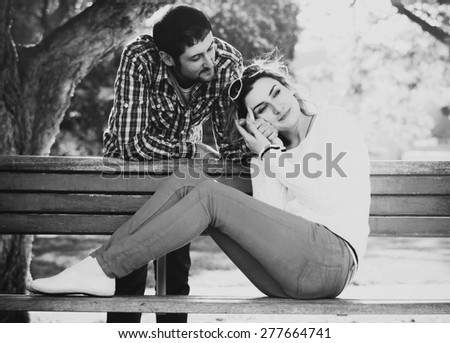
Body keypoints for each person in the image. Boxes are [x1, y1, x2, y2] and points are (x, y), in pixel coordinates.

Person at [27, 57, 371, 310]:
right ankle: (94, 268)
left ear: (290, 87)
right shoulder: (276, 154)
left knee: (209, 195)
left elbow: (327, 198)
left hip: (332, 260)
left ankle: (103, 269)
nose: (276, 108)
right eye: (261, 109)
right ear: (253, 121)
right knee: (189, 179)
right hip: (285, 276)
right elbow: (270, 216)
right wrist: (264, 157)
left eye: (276, 93)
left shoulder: (332, 121)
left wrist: (268, 154)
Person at [101, 5, 243, 323]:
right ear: (168, 58)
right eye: (196, 57)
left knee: (175, 277)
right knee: (129, 276)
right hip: (130, 175)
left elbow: (230, 146)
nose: (210, 61)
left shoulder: (227, 63)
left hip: (180, 179)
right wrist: (193, 149)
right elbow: (132, 143)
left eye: (210, 46)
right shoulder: (140, 57)